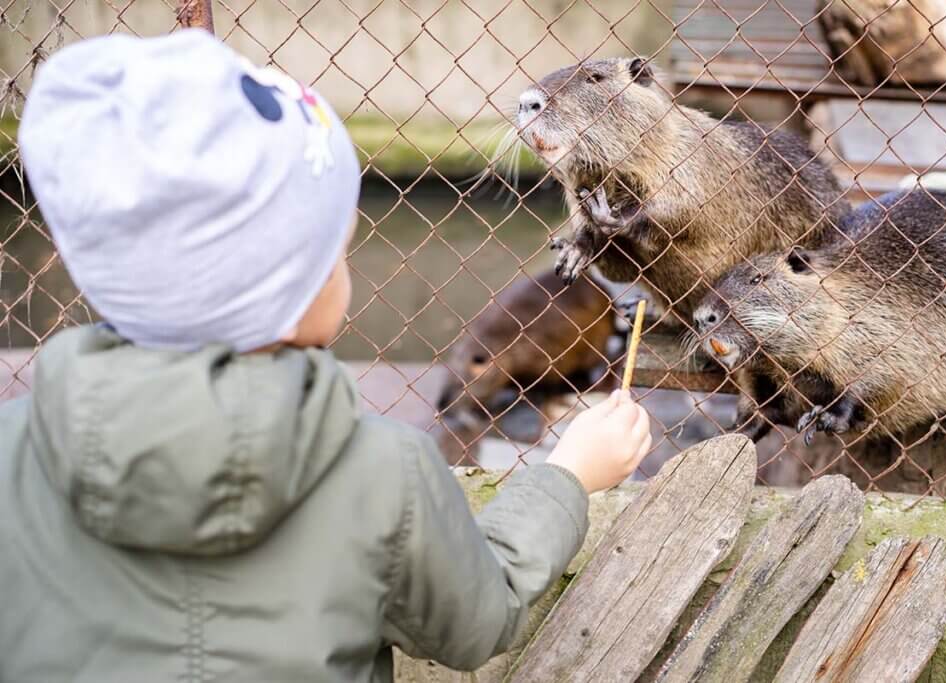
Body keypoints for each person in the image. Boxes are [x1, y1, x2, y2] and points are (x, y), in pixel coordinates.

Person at [0, 29, 651, 682]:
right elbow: (480, 619)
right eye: (332, 252)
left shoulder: (12, 451)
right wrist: (567, 474)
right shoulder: (384, 472)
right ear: (287, 288)